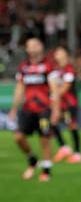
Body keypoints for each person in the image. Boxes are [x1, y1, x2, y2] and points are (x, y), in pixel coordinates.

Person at [8, 37, 60, 181]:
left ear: (41, 47)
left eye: (35, 45)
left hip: (44, 109)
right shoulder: (23, 67)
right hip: (27, 109)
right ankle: (32, 159)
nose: (33, 48)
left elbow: (54, 89)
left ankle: (46, 171)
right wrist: (14, 108)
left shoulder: (48, 66)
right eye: (30, 46)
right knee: (18, 137)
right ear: (26, 49)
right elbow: (19, 88)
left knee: (45, 138)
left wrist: (56, 110)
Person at [51, 46, 81, 164]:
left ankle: (78, 153)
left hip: (70, 103)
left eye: (60, 52)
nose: (57, 55)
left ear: (66, 55)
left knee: (72, 125)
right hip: (60, 103)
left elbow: (65, 87)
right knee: (52, 122)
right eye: (56, 53)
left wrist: (53, 97)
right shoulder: (55, 70)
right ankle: (64, 148)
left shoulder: (69, 69)